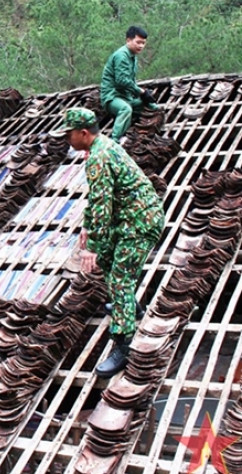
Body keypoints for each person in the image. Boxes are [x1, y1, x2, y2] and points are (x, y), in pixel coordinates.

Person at [60, 107, 164, 378]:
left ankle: (123, 345)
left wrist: (91, 246)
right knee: (108, 259)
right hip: (127, 218)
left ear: (83, 133)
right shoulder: (100, 147)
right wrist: (87, 226)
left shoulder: (99, 157)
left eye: (69, 134)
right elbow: (97, 197)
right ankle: (129, 306)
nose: (66, 139)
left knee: (120, 277)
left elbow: (102, 206)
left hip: (141, 222)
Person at [100, 26, 160, 142]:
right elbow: (121, 81)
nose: (141, 46)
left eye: (143, 43)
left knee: (152, 107)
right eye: (138, 42)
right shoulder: (121, 55)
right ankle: (114, 140)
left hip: (126, 97)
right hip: (112, 97)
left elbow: (131, 81)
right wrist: (141, 91)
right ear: (128, 40)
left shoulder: (133, 57)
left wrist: (142, 95)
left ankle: (146, 132)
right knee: (125, 109)